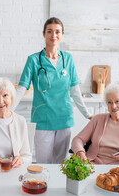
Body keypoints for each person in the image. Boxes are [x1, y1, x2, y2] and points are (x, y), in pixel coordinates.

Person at [14, 17, 92, 164]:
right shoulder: (33, 60)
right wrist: (8, 110)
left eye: (57, 32)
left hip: (64, 118)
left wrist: (88, 115)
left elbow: (75, 90)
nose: (53, 35)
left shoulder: (68, 59)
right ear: (44, 34)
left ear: (62, 35)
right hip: (43, 119)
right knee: (43, 162)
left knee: (60, 163)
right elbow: (21, 88)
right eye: (49, 31)